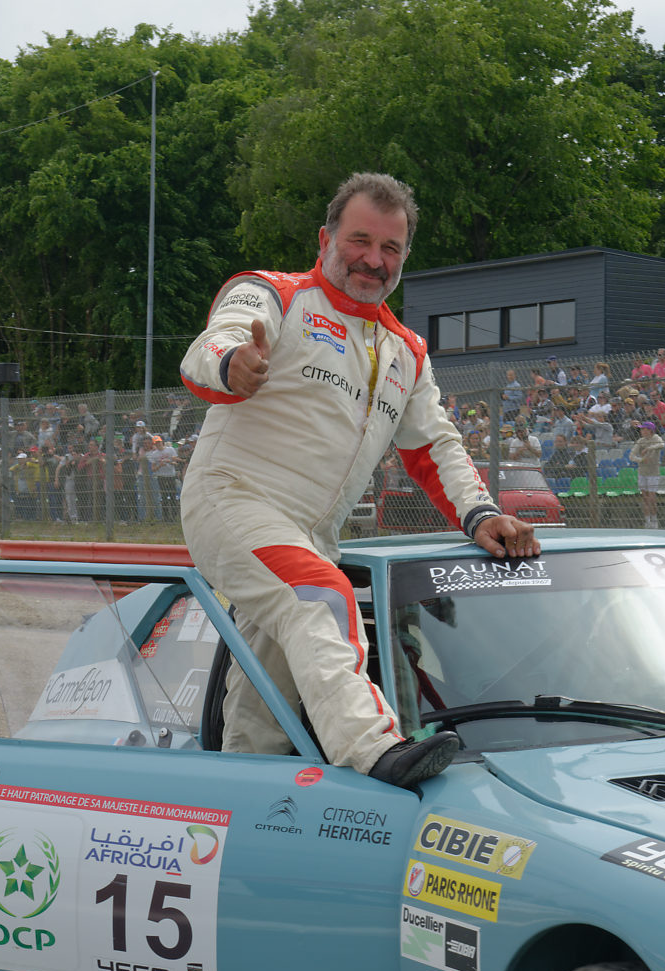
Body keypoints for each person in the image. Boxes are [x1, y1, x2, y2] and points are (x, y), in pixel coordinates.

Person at [177, 172, 538, 789]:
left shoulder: (407, 350)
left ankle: (239, 801)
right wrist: (232, 363)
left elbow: (434, 446)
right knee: (324, 595)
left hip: (313, 536)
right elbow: (212, 345)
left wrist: (481, 516)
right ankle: (375, 747)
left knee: (266, 696)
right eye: (360, 240)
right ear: (325, 238)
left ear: (404, 257)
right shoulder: (274, 293)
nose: (374, 260)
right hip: (233, 500)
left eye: (390, 248)